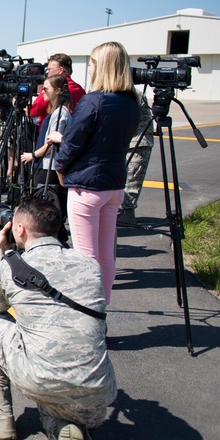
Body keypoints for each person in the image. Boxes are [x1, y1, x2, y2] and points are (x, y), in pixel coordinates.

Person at [0, 196, 115, 440]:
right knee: (58, 391)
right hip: (99, 391)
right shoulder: (89, 264)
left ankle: (2, 418)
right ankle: (68, 430)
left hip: (39, 378)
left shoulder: (13, 265)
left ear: (19, 230)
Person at [51, 42, 140, 303]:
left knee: (85, 258)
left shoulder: (93, 100)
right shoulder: (131, 102)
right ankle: (102, 311)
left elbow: (74, 142)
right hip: (114, 184)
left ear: (100, 67)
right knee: (105, 257)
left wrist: (60, 166)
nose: (88, 69)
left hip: (87, 186)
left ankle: (88, 316)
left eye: (91, 64)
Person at [20, 74, 72, 242]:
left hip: (50, 165)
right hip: (46, 163)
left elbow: (51, 144)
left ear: (58, 91)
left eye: (46, 89)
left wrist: (33, 155)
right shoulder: (55, 112)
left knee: (47, 203)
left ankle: (53, 236)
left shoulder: (60, 114)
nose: (42, 92)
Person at [118, 94, 154, 226]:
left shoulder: (134, 94)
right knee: (124, 177)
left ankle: (128, 213)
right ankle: (122, 210)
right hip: (127, 141)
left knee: (132, 178)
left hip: (138, 142)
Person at [28, 53, 85, 124]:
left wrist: (20, 105)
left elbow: (32, 112)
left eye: (49, 69)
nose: (47, 72)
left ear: (61, 70)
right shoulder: (80, 89)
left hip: (51, 130)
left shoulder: (52, 87)